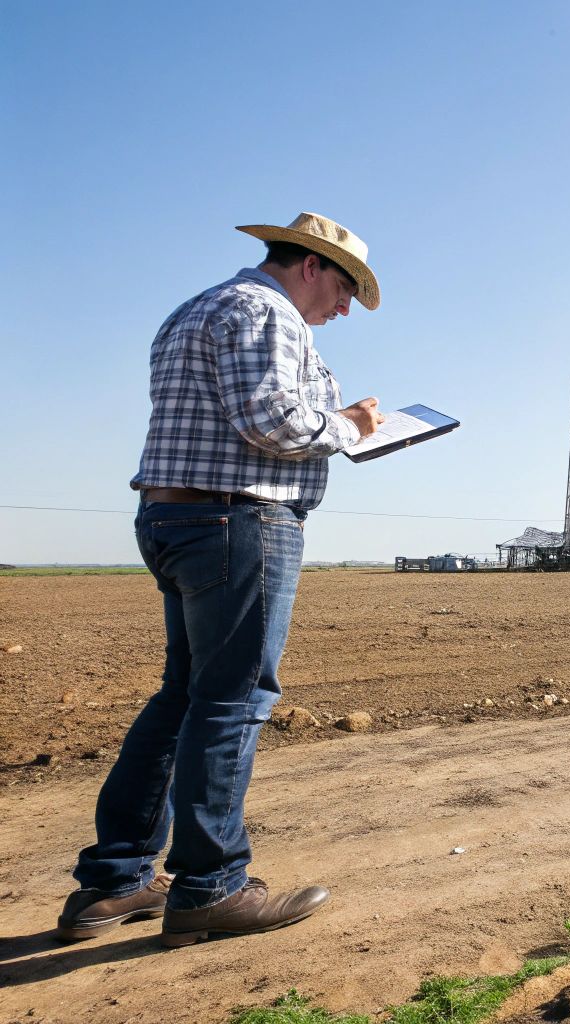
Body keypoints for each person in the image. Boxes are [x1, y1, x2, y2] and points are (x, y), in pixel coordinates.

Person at [56, 213, 385, 946]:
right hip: (237, 524)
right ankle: (210, 887)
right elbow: (271, 421)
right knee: (232, 700)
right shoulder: (264, 311)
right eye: (343, 290)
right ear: (310, 266)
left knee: (185, 696)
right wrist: (353, 427)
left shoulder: (195, 308)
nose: (340, 310)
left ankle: (116, 880)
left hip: (174, 519)